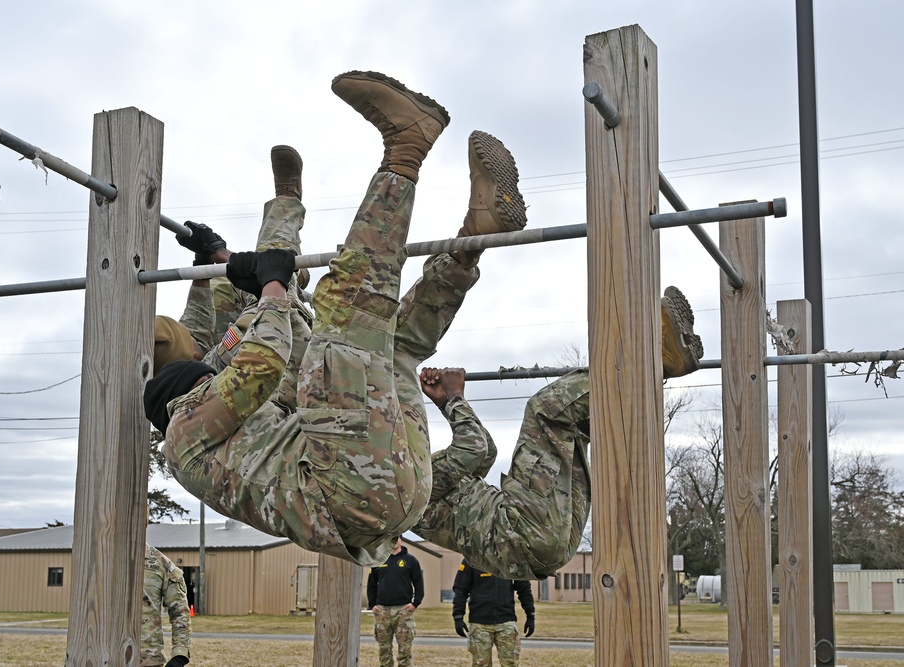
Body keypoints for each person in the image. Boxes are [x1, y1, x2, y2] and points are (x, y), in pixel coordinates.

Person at [144, 69, 530, 568]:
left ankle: (471, 240)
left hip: (392, 495)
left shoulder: (231, 438)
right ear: (186, 385)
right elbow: (265, 360)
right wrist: (273, 287)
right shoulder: (186, 433)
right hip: (348, 486)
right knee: (348, 314)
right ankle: (405, 148)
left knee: (392, 351)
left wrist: (255, 256)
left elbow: (294, 357)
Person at [411, 287, 702, 581]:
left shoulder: (417, 492)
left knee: (572, 426)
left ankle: (658, 366)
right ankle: (652, 357)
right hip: (522, 529)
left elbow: (485, 453)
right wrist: (453, 400)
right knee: (544, 412)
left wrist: (446, 402)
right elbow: (471, 449)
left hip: (546, 545)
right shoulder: (411, 484)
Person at [452, 557, 535, 667]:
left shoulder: (512, 558)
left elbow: (524, 589)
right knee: (480, 664)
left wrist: (530, 615)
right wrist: (458, 617)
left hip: (506, 622)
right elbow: (460, 589)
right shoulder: (472, 559)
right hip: (480, 624)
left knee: (511, 664)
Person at [367, 536, 425, 667]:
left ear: (401, 540)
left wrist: (415, 603)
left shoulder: (411, 561)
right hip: (383, 612)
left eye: (396, 537)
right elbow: (371, 585)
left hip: (403, 611)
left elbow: (419, 583)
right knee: (384, 651)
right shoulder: (379, 560)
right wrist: (373, 605)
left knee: (405, 651)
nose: (394, 541)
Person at [140, 543, 192, 667]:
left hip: (147, 660)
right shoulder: (96, 556)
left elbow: (180, 612)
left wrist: (180, 656)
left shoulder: (159, 563)